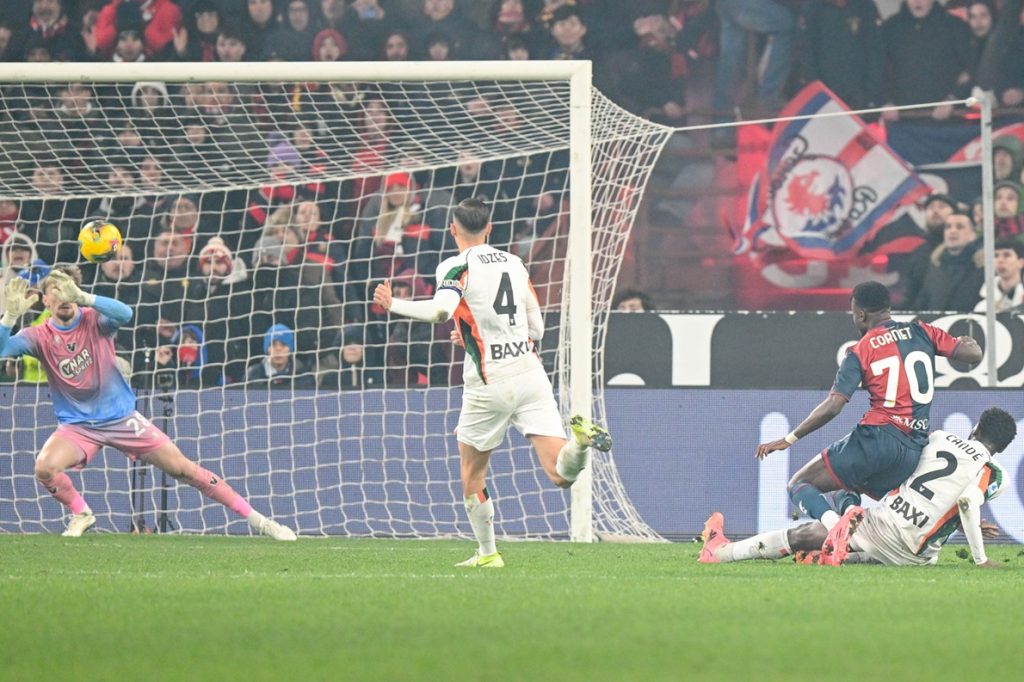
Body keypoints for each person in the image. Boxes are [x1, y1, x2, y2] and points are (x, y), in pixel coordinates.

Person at [372, 198, 612, 567]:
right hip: (530, 374)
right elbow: (537, 328)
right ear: (489, 228)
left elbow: (441, 311)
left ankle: (488, 554)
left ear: (453, 229)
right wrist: (475, 334)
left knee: (473, 474)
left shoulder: (455, 265)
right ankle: (579, 444)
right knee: (560, 474)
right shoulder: (514, 263)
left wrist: (394, 305)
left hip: (489, 382)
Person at [0, 266, 296, 540]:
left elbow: (126, 314)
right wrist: (8, 318)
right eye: (55, 289)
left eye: (68, 288)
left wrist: (86, 298)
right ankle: (81, 513)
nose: (63, 296)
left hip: (121, 418)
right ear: (45, 300)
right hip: (77, 426)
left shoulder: (95, 320)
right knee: (45, 468)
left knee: (183, 469)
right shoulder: (39, 336)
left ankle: (262, 522)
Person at [756, 281, 983, 535]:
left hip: (877, 439)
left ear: (861, 315)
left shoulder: (860, 350)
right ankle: (850, 519)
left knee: (799, 484)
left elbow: (833, 406)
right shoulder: (922, 331)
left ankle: (835, 531)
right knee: (845, 486)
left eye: (854, 314)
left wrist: (789, 439)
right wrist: (967, 340)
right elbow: (973, 355)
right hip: (911, 452)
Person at [702, 407, 1017, 568]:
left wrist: (979, 556)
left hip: (885, 528)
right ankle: (830, 556)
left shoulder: (939, 438)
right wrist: (972, 536)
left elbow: (959, 499)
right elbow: (961, 500)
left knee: (810, 528)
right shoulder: (994, 473)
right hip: (918, 556)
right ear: (1001, 448)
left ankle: (721, 553)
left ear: (975, 428)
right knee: (874, 537)